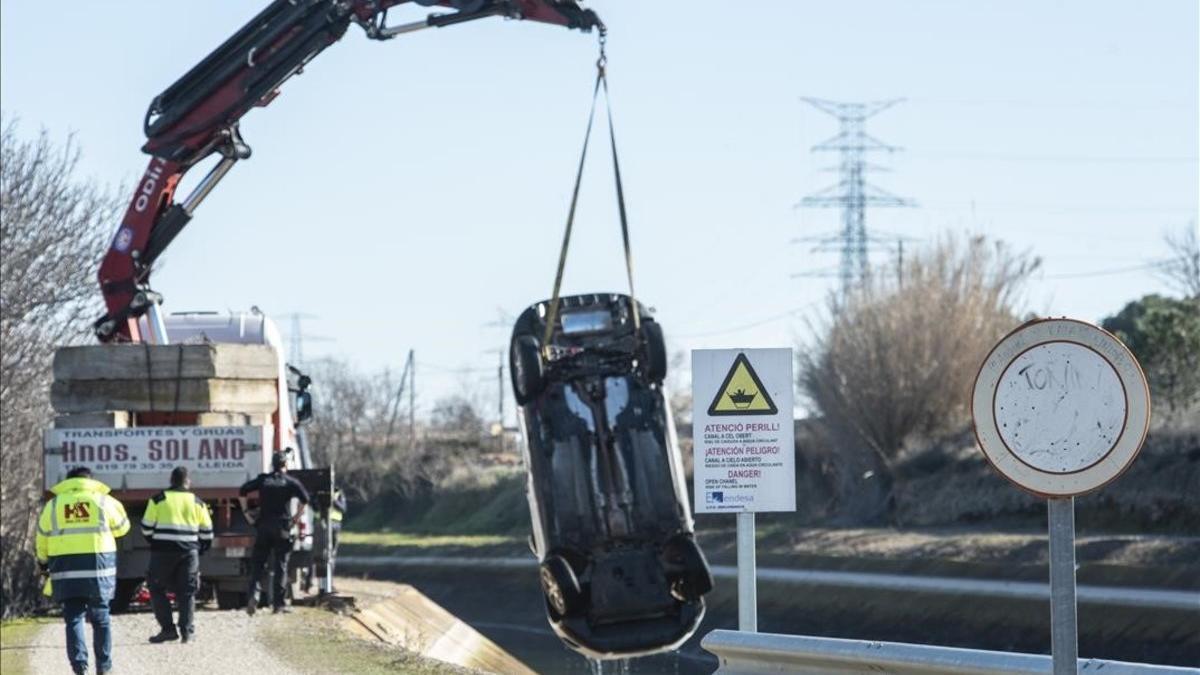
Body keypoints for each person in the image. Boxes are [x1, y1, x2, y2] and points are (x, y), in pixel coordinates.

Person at [35, 466, 130, 675]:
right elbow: (123, 527)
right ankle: (104, 667)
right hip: (99, 569)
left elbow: (42, 537)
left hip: (66, 570)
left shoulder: (53, 505)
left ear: (68, 482)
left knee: (73, 618)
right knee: (101, 618)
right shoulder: (104, 501)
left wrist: (43, 562)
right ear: (90, 481)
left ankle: (79, 668)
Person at [141, 466, 213, 644]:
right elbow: (207, 532)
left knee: (156, 589)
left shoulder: (158, 499)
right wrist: (200, 549)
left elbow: (146, 528)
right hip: (189, 552)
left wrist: (156, 542)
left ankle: (167, 630)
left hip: (162, 552)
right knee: (187, 592)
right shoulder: (197, 502)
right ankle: (187, 632)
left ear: (171, 480)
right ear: (187, 481)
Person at [239, 451, 309, 615]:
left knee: (257, 565)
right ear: (285, 465)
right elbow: (305, 499)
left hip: (263, 526)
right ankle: (278, 604)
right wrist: (295, 519)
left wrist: (247, 514)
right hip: (282, 528)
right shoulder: (291, 482)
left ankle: (253, 594)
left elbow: (243, 490)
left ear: (273, 464)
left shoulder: (263, 480)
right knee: (280, 566)